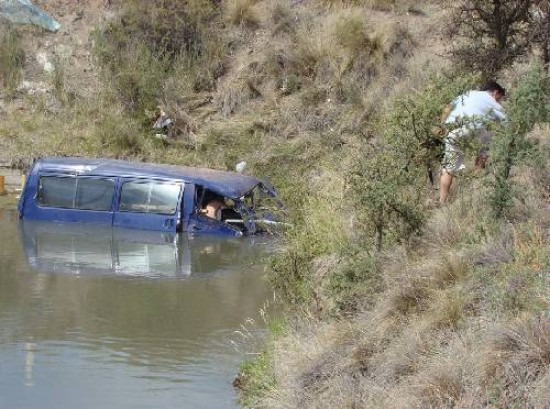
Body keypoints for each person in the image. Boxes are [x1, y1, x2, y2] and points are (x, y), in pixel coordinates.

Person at [439, 80, 507, 203]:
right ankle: (476, 186)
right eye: (500, 98)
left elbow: (447, 108)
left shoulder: (468, 94)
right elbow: (508, 124)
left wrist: (441, 126)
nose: (499, 101)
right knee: (488, 138)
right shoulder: (492, 102)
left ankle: (442, 201)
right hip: (472, 129)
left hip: (452, 129)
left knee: (449, 167)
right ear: (495, 93)